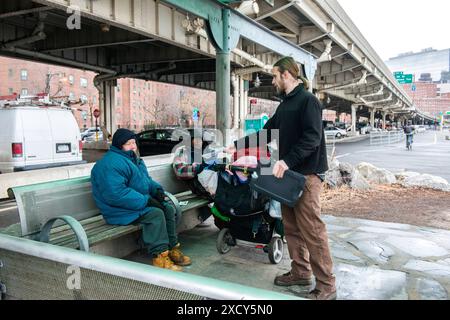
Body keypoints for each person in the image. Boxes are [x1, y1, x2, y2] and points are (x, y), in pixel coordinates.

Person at [226, 57, 336, 300]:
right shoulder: (285, 105)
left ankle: (327, 285)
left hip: (306, 176)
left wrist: (286, 161)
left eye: (275, 76)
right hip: (288, 176)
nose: (273, 81)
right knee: (292, 229)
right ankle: (301, 272)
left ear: (287, 75)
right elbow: (266, 134)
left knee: (313, 231)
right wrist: (234, 147)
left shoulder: (309, 101)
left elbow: (312, 138)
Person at [91, 128, 191, 271]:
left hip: (133, 204)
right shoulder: (109, 164)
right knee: (155, 214)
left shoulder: (134, 160)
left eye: (134, 142)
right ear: (120, 145)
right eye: (128, 143)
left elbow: (145, 181)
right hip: (117, 210)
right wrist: (146, 200)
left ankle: (171, 248)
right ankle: (160, 257)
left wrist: (157, 190)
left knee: (167, 208)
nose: (133, 146)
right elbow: (116, 194)